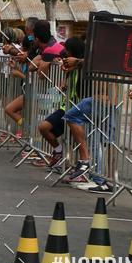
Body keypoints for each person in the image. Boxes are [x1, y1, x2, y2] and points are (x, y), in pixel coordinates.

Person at [35, 36, 85, 170]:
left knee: (77, 140)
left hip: (78, 109)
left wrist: (77, 63)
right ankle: (58, 150)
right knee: (43, 127)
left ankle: (76, 166)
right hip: (65, 107)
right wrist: (64, 84)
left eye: (67, 51)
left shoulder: (82, 65)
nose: (65, 55)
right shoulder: (70, 66)